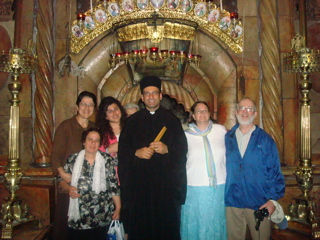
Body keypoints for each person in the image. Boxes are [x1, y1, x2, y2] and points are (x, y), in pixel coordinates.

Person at [118, 76, 188, 240]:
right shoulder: (132, 122)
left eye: (154, 93)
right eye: (147, 93)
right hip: (140, 191)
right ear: (142, 97)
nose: (151, 96)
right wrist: (137, 153)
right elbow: (123, 152)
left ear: (160, 95)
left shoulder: (172, 121)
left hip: (165, 191)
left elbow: (182, 151)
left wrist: (167, 149)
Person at [225, 97, 285, 240]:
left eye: (250, 109)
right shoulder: (227, 138)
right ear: (236, 112)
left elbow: (274, 171)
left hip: (259, 201)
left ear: (255, 114)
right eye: (242, 108)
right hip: (233, 201)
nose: (245, 112)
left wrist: (272, 201)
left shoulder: (265, 140)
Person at [59, 127, 121, 240]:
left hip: (102, 214)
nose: (93, 143)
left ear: (100, 143)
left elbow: (114, 186)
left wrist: (118, 208)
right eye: (90, 139)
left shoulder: (107, 160)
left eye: (97, 140)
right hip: (79, 216)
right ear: (83, 142)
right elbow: (61, 180)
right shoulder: (73, 159)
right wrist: (69, 188)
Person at [51, 91, 97, 240]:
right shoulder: (66, 126)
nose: (87, 108)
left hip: (89, 188)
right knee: (67, 228)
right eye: (84, 104)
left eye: (90, 105)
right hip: (69, 184)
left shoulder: (94, 128)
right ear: (77, 106)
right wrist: (63, 174)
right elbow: (56, 155)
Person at [181, 101, 227, 240]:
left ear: (209, 114)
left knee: (216, 220)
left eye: (205, 110)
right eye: (199, 111)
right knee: (195, 221)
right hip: (194, 185)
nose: (202, 113)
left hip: (218, 184)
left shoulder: (221, 130)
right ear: (193, 115)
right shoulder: (185, 134)